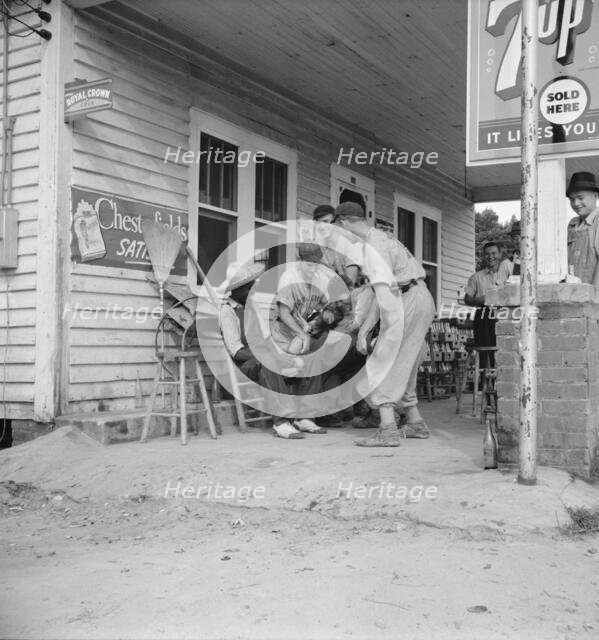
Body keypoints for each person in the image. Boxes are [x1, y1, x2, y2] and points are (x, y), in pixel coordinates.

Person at [332, 201, 436, 447]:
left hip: (406, 299)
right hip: (419, 296)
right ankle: (414, 422)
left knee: (382, 361)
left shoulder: (374, 245)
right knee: (405, 362)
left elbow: (383, 294)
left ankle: (388, 429)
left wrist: (364, 332)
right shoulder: (382, 237)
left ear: (344, 223)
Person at [219, 261, 326, 440]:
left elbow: (267, 339)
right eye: (248, 288)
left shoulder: (252, 306)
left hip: (264, 357)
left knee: (311, 359)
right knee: (268, 362)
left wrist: (281, 355)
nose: (252, 291)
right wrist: (270, 356)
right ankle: (281, 422)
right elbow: (236, 351)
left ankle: (304, 417)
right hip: (245, 366)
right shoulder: (227, 311)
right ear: (236, 290)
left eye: (253, 287)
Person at [464, 242, 513, 370]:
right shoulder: (476, 277)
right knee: (485, 348)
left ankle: (502, 377)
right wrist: (480, 300)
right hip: (484, 315)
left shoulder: (507, 273)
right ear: (483, 256)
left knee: (503, 346)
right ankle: (484, 378)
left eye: (493, 253)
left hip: (503, 315)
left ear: (500, 254)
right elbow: (467, 298)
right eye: (487, 254)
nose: (490, 257)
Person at [566, 171, 599, 286]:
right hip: (573, 295)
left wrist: (595, 297)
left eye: (580, 197)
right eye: (572, 199)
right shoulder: (572, 224)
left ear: (595, 196)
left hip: (593, 297)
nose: (576, 203)